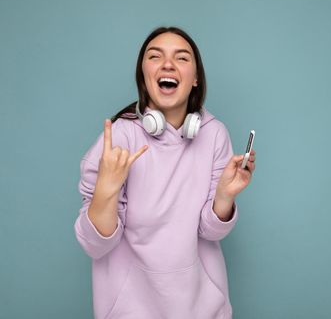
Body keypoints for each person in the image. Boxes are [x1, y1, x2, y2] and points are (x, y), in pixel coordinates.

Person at [74, 26, 255, 319]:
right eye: (155, 56)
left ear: (195, 79)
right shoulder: (118, 136)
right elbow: (95, 245)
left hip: (202, 309)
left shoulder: (214, 134)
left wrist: (224, 196)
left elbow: (210, 231)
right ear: (144, 74)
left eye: (181, 58)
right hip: (130, 310)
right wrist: (105, 190)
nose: (167, 64)